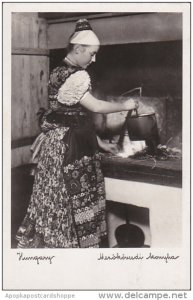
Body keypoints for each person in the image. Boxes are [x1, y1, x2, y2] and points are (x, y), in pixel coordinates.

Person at [15, 19, 138, 248]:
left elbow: (74, 117)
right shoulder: (77, 76)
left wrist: (100, 142)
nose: (94, 59)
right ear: (78, 49)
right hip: (68, 149)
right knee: (71, 199)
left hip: (59, 143)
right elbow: (96, 108)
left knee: (55, 200)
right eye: (91, 54)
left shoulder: (58, 71)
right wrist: (126, 105)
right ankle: (71, 249)